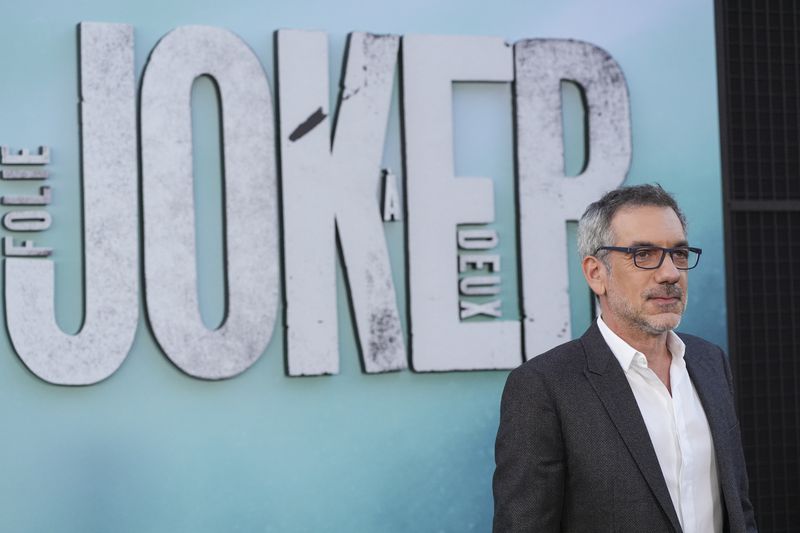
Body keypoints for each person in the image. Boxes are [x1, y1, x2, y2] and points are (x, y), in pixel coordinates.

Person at [492, 184, 757, 532]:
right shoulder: (545, 387)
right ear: (595, 273)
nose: (670, 273)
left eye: (679, 253)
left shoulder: (710, 363)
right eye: (643, 254)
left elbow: (738, 507)